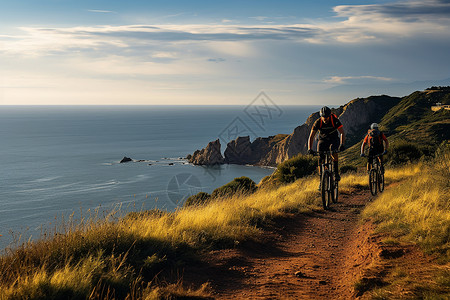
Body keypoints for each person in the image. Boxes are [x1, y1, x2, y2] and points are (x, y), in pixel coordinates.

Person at [307, 106, 346, 185]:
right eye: (323, 117)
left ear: (330, 115)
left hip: (334, 139)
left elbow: (342, 133)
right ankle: (321, 180)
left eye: (327, 117)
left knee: (334, 150)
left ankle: (336, 173)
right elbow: (311, 136)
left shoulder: (335, 120)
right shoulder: (318, 122)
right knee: (320, 158)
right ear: (321, 116)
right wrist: (309, 148)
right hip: (323, 140)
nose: (325, 119)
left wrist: (342, 144)